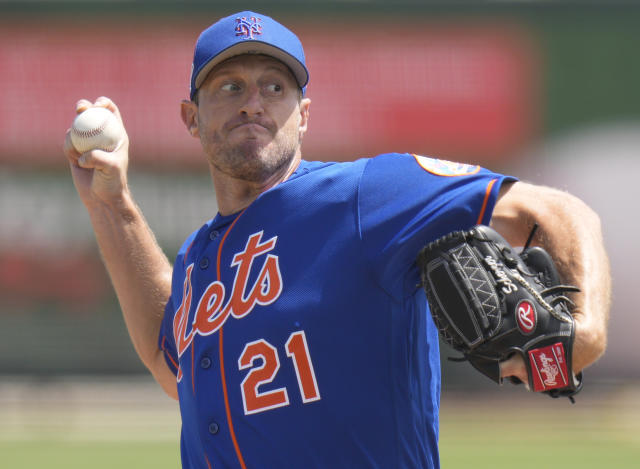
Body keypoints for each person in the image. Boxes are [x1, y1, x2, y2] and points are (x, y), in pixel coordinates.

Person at [63, 10, 610, 469]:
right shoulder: (197, 257)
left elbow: (556, 209)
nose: (253, 103)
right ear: (191, 117)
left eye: (274, 88)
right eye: (230, 87)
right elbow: (173, 367)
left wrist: (584, 331)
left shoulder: (365, 194)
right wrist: (110, 205)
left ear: (303, 116)